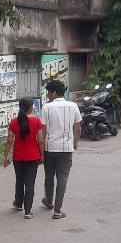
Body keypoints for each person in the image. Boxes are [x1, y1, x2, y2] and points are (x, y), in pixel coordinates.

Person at [40, 79, 82, 220]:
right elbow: (77, 128)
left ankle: (49, 200)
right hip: (66, 148)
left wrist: (41, 149)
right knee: (62, 177)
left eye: (48, 93)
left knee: (49, 175)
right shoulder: (73, 106)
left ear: (53, 93)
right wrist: (75, 143)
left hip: (50, 147)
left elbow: (43, 131)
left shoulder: (46, 108)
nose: (47, 95)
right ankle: (57, 210)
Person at [3, 97, 44, 219]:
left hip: (18, 156)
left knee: (19, 180)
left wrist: (5, 155)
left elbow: (9, 140)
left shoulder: (13, 122)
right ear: (31, 108)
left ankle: (18, 203)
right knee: (30, 183)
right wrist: (42, 155)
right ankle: (28, 211)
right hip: (33, 156)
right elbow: (41, 140)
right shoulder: (36, 121)